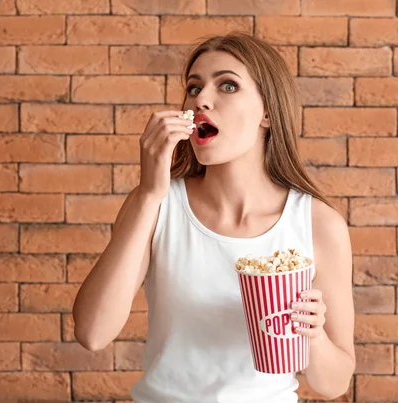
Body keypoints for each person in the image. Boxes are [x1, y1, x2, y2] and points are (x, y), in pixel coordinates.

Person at [72, 32, 355, 402]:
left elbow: (334, 384)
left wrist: (313, 335)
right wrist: (149, 193)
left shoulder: (317, 224)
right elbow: (92, 333)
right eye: (193, 88)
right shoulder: (157, 207)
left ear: (268, 113)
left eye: (228, 86)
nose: (201, 99)